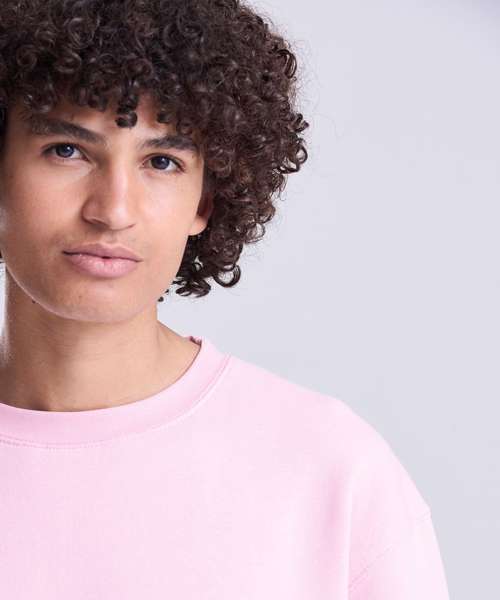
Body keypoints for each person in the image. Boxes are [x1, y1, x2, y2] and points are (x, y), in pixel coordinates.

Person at [0, 0, 450, 598]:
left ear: (205, 202)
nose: (113, 210)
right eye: (67, 150)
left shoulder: (331, 469)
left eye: (162, 161)